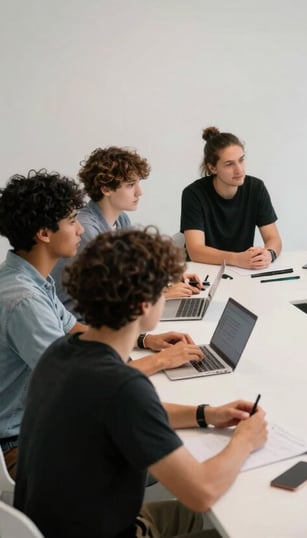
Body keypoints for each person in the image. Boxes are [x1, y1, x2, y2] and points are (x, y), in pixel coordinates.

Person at [14, 228, 268, 538]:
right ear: (144, 306)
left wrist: (206, 414)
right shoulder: (122, 386)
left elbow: (127, 413)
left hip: (48, 526)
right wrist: (245, 440)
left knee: (189, 518)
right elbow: (202, 491)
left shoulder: (61, 352)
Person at [0, 171, 201, 479]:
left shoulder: (31, 278)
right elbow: (73, 385)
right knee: (169, 458)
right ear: (44, 233)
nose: (80, 228)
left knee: (166, 440)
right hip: (22, 443)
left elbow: (75, 330)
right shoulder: (23, 299)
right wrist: (160, 362)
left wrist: (143, 340)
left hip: (44, 422)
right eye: (71, 221)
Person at [51, 146, 204, 314]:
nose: (140, 192)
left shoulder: (121, 219)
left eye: (138, 183)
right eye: (131, 185)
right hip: (84, 318)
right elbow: (109, 293)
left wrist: (168, 277)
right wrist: (160, 294)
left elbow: (132, 271)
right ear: (106, 189)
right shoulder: (86, 230)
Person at [181, 126, 282, 269]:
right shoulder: (193, 194)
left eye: (241, 160)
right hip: (204, 269)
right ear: (212, 168)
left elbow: (273, 238)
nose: (239, 170)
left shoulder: (256, 188)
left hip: (243, 271)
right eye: (229, 164)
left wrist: (269, 254)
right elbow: (195, 250)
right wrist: (237, 259)